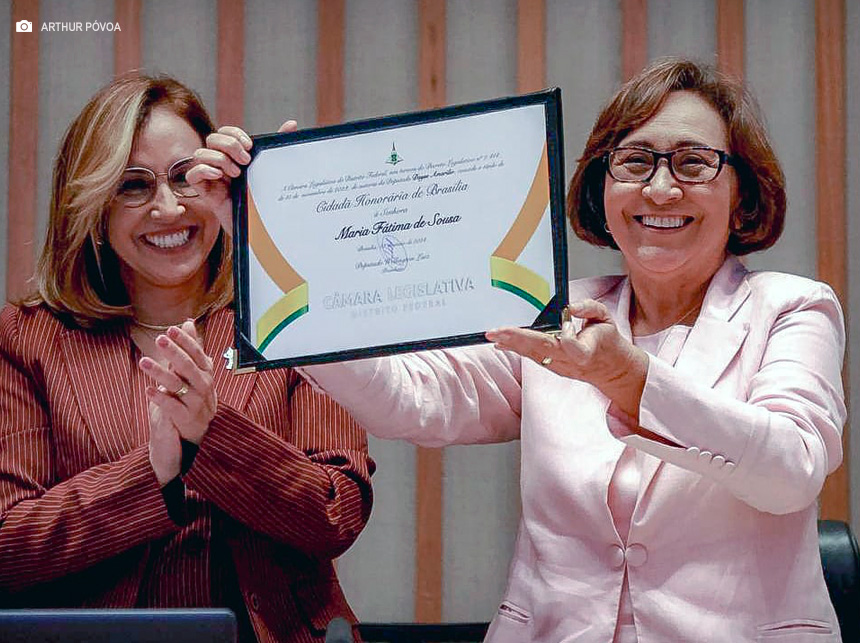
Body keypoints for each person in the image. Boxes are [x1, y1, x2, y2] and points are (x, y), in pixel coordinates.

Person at [203, 58, 846, 642]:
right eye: (634, 161)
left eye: (694, 163)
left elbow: (791, 471)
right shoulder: (552, 311)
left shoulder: (791, 308)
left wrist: (629, 378)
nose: (659, 188)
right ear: (600, 187)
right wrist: (263, 232)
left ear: (742, 194)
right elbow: (410, 399)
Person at [0, 74, 374, 643]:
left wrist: (212, 434)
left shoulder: (292, 316)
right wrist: (150, 473)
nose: (168, 207)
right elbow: (8, 546)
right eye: (133, 185)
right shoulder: (27, 338)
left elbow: (336, 513)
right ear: (94, 205)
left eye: (184, 177)